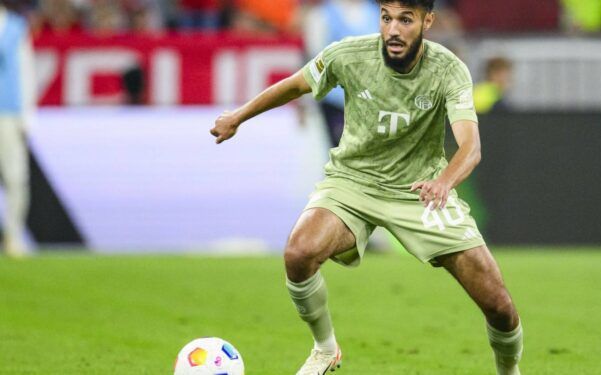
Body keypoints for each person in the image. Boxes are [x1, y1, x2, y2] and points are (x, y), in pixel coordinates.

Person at [210, 1, 524, 374]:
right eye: (387, 18)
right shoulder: (348, 54)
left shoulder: (448, 69)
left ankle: (509, 372)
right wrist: (237, 117)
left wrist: (443, 182)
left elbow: (471, 147)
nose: (393, 29)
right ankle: (325, 349)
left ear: (427, 21)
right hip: (354, 183)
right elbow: (296, 85)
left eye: (405, 20)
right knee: (299, 252)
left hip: (419, 191)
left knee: (499, 307)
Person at [303, 0, 380, 146]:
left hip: (372, 98)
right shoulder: (322, 15)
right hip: (335, 99)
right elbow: (314, 60)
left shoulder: (376, 13)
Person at [0, 2, 33, 257]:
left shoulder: (16, 28)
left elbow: (26, 72)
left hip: (8, 113)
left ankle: (13, 237)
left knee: (16, 178)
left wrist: (27, 116)